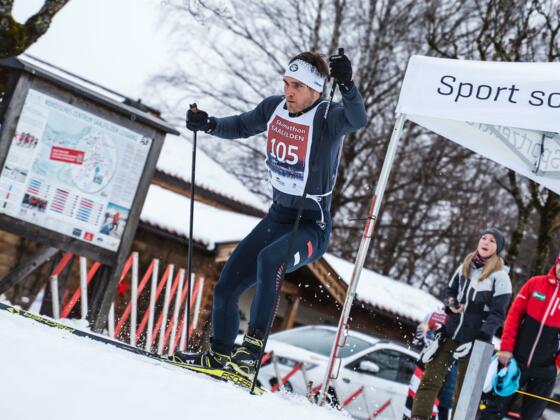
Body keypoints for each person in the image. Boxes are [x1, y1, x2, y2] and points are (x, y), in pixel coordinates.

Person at [173, 51, 367, 381]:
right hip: (277, 217)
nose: (288, 92)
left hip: (311, 226)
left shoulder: (328, 116)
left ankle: (251, 352)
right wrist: (208, 124)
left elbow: (357, 119)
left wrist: (347, 84)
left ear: (315, 90)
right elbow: (241, 125)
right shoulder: (273, 107)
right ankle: (219, 355)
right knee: (226, 285)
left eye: (297, 86)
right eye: (286, 83)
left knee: (270, 259)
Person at [411, 228, 512, 419]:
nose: (486, 242)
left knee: (465, 394)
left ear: (498, 248)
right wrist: (452, 305)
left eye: (492, 241)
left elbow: (497, 315)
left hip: (476, 342)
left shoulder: (501, 277)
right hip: (450, 333)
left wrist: (480, 336)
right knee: (430, 380)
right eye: (484, 238)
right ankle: (419, 417)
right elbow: (450, 293)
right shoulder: (465, 266)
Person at [479, 253, 560, 420]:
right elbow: (514, 316)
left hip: (545, 370)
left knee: (531, 416)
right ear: (557, 262)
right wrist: (506, 348)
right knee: (493, 410)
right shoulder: (535, 283)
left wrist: (557, 365)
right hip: (515, 362)